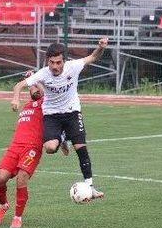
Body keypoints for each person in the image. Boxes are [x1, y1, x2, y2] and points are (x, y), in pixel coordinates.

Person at [11, 37, 109, 200]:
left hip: (72, 112)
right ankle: (62, 138)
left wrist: (101, 48)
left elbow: (93, 57)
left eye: (58, 62)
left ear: (64, 60)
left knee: (80, 148)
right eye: (52, 63)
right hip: (51, 115)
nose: (55, 66)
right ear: (47, 61)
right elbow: (19, 85)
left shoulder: (74, 66)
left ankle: (90, 187)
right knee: (50, 148)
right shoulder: (43, 73)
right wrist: (15, 98)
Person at [0, 82, 68, 228]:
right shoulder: (27, 106)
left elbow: (47, 94)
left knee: (22, 178)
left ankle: (17, 217)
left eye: (36, 86)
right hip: (15, 147)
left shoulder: (47, 104)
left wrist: (37, 81)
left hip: (31, 149)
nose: (33, 89)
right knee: (0, 179)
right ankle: (3, 205)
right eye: (31, 87)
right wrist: (25, 86)